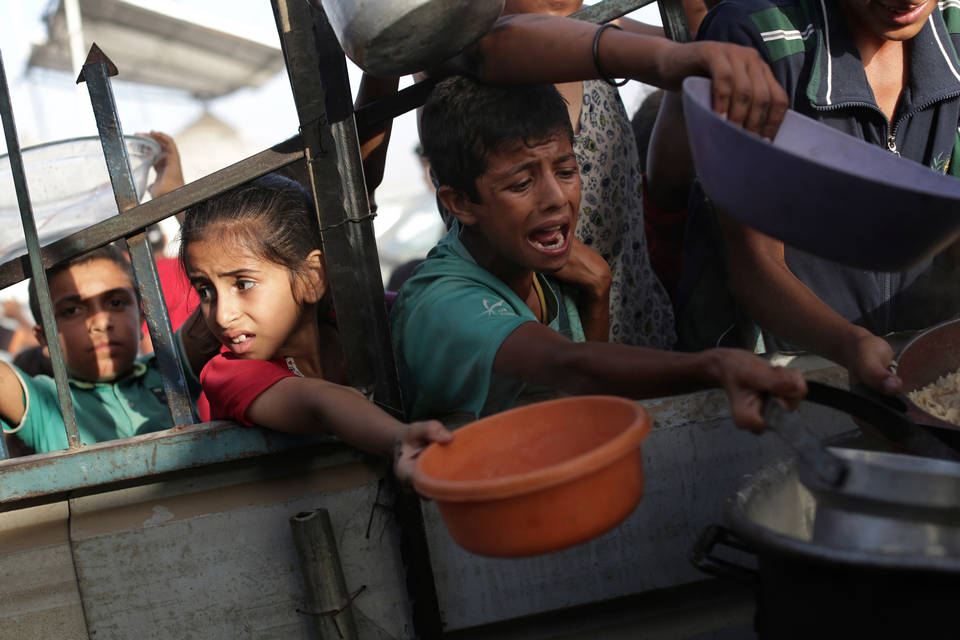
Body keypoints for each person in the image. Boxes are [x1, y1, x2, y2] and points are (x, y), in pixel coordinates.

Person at [390, 76, 805, 429]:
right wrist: (714, 367)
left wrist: (598, 292)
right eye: (521, 184)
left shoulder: (542, 265)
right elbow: (571, 366)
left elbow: (586, 408)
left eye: (566, 171)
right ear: (460, 203)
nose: (556, 198)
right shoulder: (444, 303)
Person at [663, 0, 960, 394]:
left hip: (925, 363)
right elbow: (754, 263)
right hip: (775, 373)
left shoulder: (954, 27)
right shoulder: (758, 39)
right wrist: (850, 346)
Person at [179, 174, 452, 482]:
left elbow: (433, 322)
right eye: (205, 291)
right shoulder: (226, 374)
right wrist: (398, 439)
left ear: (312, 277)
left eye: (243, 284)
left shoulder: (365, 316)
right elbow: (318, 401)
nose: (222, 315)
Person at [0, 244, 219, 454]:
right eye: (72, 310)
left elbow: (223, 296)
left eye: (115, 303)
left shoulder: (170, 368)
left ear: (141, 318)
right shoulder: (44, 403)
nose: (101, 323)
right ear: (44, 339)